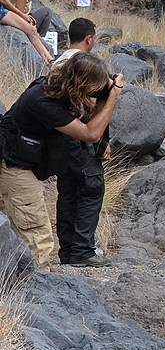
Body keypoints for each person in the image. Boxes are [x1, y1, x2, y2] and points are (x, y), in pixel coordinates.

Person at [0, 53, 123, 268]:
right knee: (36, 231)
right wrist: (112, 99)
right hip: (12, 165)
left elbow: (87, 120)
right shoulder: (43, 100)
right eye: (94, 88)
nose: (95, 93)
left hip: (21, 161)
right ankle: (38, 288)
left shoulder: (63, 89)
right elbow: (89, 133)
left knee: (20, 226)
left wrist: (103, 100)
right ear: (81, 84)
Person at [51, 19, 110, 267]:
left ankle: (68, 250)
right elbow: (91, 109)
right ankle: (83, 250)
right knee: (90, 189)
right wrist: (102, 142)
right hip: (80, 137)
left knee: (67, 192)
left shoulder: (58, 61)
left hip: (60, 138)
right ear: (89, 39)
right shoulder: (83, 65)